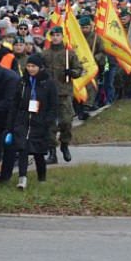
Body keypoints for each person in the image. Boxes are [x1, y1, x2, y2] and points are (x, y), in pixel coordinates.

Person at [4, 53, 58, 187]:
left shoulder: (48, 83)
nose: (30, 69)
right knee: (23, 150)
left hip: (40, 122)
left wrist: (47, 121)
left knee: (38, 153)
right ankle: (22, 178)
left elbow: (54, 105)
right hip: (22, 121)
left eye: (33, 66)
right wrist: (11, 123)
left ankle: (42, 179)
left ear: (40, 67)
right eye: (28, 66)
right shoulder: (22, 82)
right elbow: (15, 103)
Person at [42, 25, 83, 162]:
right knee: (50, 125)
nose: (55, 38)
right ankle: (52, 152)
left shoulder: (69, 53)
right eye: (53, 35)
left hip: (64, 93)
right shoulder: (45, 54)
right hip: (48, 94)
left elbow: (78, 69)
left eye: (58, 35)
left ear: (62, 36)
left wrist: (72, 73)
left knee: (66, 122)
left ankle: (64, 144)